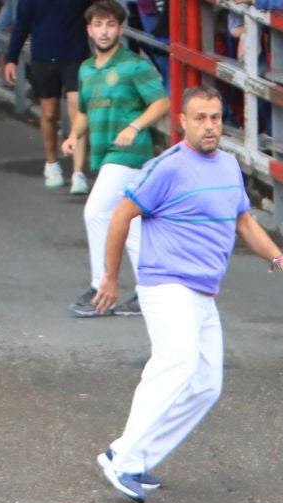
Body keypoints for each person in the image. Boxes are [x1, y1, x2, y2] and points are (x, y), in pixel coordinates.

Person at [91, 85, 283, 502]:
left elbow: (243, 222)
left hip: (202, 290)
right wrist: (109, 277)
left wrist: (279, 259)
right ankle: (123, 465)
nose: (210, 126)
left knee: (206, 385)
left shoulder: (228, 166)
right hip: (167, 283)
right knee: (175, 365)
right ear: (183, 122)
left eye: (215, 118)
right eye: (200, 118)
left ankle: (129, 455)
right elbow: (121, 214)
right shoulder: (168, 167)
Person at [66, 0, 164, 318]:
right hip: (105, 152)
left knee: (96, 212)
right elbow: (84, 112)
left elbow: (162, 103)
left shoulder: (135, 65)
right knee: (132, 224)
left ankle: (100, 286)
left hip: (130, 154)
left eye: (110, 25)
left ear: (121, 29)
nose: (104, 31)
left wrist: (135, 126)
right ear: (89, 30)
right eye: (98, 25)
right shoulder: (86, 69)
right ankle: (146, 292)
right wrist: (72, 137)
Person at [5, 0, 88, 190]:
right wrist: (11, 58)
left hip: (75, 56)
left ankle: (78, 172)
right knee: (50, 114)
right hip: (43, 57)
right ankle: (51, 163)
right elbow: (22, 24)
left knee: (78, 111)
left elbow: (98, 11)